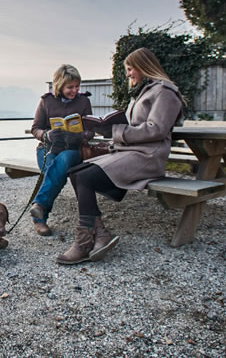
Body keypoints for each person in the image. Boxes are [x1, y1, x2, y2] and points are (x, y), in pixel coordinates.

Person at [57, 48, 183, 264]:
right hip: (130, 152)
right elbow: (133, 127)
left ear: (144, 66)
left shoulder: (165, 92)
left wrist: (115, 131)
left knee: (86, 177)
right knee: (75, 172)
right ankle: (99, 233)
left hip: (148, 157)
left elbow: (156, 130)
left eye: (130, 69)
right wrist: (106, 133)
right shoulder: (143, 92)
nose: (128, 74)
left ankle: (84, 241)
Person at [27, 64, 93, 236]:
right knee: (54, 168)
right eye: (70, 87)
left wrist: (79, 136)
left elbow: (91, 130)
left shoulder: (84, 101)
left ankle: (39, 212)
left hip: (72, 149)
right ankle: (40, 214)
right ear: (59, 85)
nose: (75, 90)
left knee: (61, 162)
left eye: (77, 86)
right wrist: (47, 135)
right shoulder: (46, 101)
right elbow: (35, 129)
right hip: (48, 148)